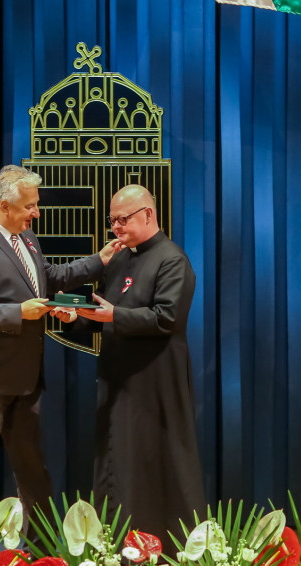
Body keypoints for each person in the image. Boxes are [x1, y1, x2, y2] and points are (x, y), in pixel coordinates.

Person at [0, 164, 122, 518]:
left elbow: (49, 277)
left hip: (24, 380)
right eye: (30, 206)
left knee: (33, 472)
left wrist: (99, 261)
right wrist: (18, 312)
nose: (36, 213)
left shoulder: (26, 238)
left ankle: (38, 545)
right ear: (5, 206)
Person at [73, 184, 206, 550]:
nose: (116, 227)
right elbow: (101, 312)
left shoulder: (172, 260)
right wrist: (75, 317)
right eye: (112, 220)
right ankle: (119, 545)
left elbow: (168, 318)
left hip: (156, 383)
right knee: (118, 462)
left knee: (155, 463)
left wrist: (114, 315)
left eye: (123, 219)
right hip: (118, 380)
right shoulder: (117, 260)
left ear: (148, 214)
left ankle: (167, 547)